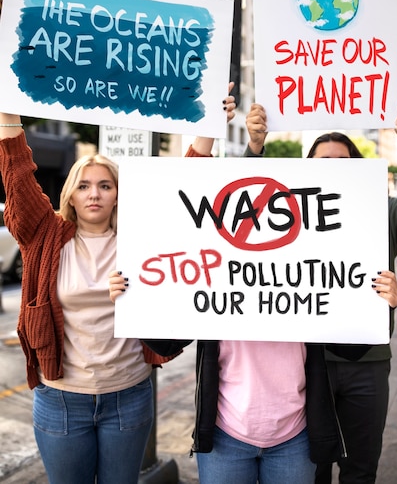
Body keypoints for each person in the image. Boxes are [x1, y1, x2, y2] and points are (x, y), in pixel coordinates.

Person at [110, 87, 317, 484]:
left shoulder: (305, 277)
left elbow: (355, 342)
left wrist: (382, 304)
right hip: (226, 436)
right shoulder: (217, 274)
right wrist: (137, 301)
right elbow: (165, 344)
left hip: (295, 436)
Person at [0, 111, 182, 484]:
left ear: (118, 194)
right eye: (83, 186)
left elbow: (188, 194)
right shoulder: (44, 234)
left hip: (129, 395)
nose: (94, 193)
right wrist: (8, 112)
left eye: (105, 185)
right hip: (62, 399)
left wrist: (208, 131)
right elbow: (18, 177)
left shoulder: (143, 236)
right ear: (70, 193)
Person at [243, 98, 397, 484]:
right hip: (306, 363)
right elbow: (242, 209)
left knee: (360, 466)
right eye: (324, 162)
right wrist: (254, 148)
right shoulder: (284, 214)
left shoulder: (383, 211)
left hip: (366, 364)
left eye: (343, 162)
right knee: (311, 467)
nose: (334, 169)